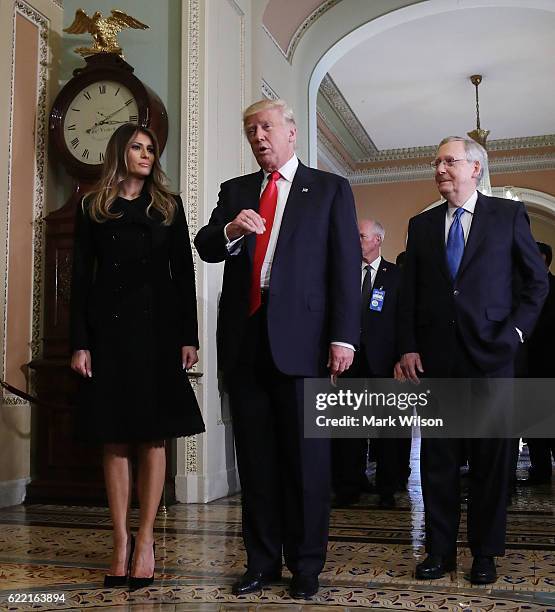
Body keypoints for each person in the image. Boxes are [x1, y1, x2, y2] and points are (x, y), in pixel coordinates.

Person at [194, 99, 360, 599]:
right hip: (246, 342)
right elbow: (205, 245)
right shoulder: (236, 192)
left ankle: (306, 565)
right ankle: (261, 561)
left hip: (306, 345)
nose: (258, 136)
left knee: (307, 463)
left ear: (290, 132)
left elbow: (344, 268)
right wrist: (230, 229)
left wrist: (343, 336)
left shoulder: (329, 189)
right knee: (257, 461)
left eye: (266, 127)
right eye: (250, 130)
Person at [398, 136, 547, 584]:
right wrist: (407, 346)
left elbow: (535, 284)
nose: (440, 168)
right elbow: (408, 296)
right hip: (437, 363)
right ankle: (439, 552)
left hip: (493, 360)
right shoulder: (421, 226)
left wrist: (517, 332)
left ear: (475, 168)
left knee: (491, 462)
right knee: (437, 463)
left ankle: (485, 553)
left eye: (449, 161)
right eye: (436, 161)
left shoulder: (507, 215)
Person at [70, 123, 205, 590]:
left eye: (151, 149)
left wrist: (188, 336)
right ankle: (120, 541)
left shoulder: (168, 207)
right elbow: (80, 281)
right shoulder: (94, 206)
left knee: (152, 438)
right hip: (107, 335)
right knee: (114, 438)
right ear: (119, 151)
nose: (146, 154)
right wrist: (80, 342)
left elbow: (183, 276)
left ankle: (146, 539)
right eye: (137, 147)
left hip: (158, 334)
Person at [332, 219, 410, 509]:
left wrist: (403, 356)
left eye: (361, 235)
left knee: (387, 431)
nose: (356, 240)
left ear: (377, 239)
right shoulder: (342, 275)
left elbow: (404, 321)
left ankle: (387, 489)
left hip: (385, 364)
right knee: (348, 431)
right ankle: (348, 487)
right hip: (348, 364)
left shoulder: (396, 276)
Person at [519, 242, 555, 485]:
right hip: (528, 365)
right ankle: (540, 469)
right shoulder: (523, 288)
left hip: (551, 365)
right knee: (534, 422)